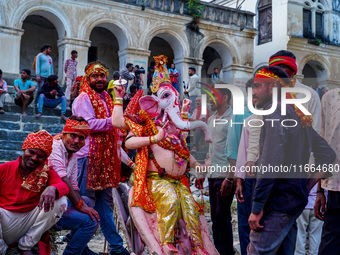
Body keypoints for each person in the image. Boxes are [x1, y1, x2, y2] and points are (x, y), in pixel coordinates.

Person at [247, 66, 336, 255]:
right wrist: (306, 185)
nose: (253, 92)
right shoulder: (295, 113)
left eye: (256, 86)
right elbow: (328, 155)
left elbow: (270, 164)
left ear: (272, 87)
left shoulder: (277, 112)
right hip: (292, 202)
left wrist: (256, 208)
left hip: (277, 204)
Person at [72, 61, 130, 255]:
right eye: (95, 76)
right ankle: (78, 248)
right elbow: (86, 125)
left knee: (104, 205)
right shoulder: (83, 98)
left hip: (106, 158)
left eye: (102, 76)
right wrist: (113, 121)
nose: (99, 79)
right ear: (88, 79)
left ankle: (116, 247)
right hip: (88, 157)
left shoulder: (107, 97)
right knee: (85, 203)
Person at [0, 130, 69, 255]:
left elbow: (63, 186)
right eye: (31, 152)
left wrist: (52, 188)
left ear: (45, 158)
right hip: (4, 222)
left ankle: (26, 245)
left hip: (28, 223)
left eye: (40, 156)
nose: (34, 158)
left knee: (61, 201)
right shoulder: (4, 169)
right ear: (24, 149)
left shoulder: (46, 173)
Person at [48, 116, 100, 255]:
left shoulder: (73, 155)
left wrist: (84, 205)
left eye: (81, 138)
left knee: (88, 202)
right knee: (91, 221)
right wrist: (80, 206)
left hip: (59, 200)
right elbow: (63, 180)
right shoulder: (54, 147)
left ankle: (79, 246)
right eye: (73, 135)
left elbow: (74, 186)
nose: (76, 141)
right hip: (45, 206)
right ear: (64, 134)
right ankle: (72, 252)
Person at [196, 87, 235, 255]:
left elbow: (235, 152)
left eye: (213, 96)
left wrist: (230, 178)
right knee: (215, 217)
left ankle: (227, 252)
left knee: (222, 215)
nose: (210, 100)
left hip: (226, 175)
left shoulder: (233, 119)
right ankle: (218, 251)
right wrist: (202, 173)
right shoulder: (211, 120)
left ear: (225, 97)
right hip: (212, 174)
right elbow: (210, 151)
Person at [315, 88, 340, 255]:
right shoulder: (330, 97)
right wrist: (319, 190)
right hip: (335, 187)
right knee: (330, 244)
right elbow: (322, 145)